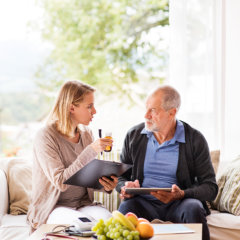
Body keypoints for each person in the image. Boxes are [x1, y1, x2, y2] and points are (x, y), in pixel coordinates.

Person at [116, 85, 218, 240]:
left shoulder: (194, 139)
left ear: (172, 112)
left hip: (180, 204)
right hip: (143, 203)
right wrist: (125, 188)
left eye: (153, 110)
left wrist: (182, 194)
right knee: (125, 208)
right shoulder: (134, 136)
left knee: (194, 208)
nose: (146, 115)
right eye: (146, 109)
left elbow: (210, 188)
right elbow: (121, 178)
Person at [27, 80, 117, 232]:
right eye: (89, 106)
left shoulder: (87, 134)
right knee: (83, 226)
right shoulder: (45, 136)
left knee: (109, 221)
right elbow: (61, 182)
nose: (94, 111)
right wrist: (90, 151)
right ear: (71, 108)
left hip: (83, 204)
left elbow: (86, 176)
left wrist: (105, 185)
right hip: (54, 208)